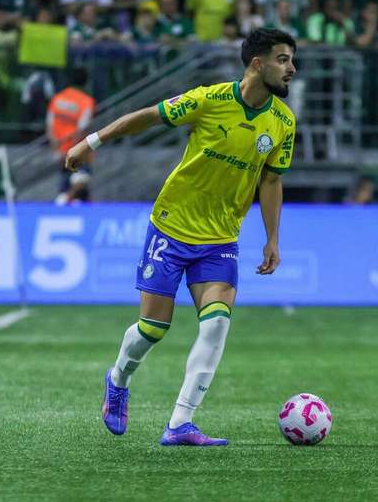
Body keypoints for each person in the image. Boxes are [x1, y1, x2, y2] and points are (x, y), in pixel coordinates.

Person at [65, 28, 297, 446]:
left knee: (216, 325)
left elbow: (271, 181)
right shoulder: (209, 100)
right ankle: (118, 380)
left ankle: (180, 424)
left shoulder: (283, 122)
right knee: (154, 328)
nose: (292, 69)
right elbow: (148, 116)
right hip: (171, 227)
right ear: (257, 64)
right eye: (283, 59)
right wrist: (91, 141)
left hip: (221, 239)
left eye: (292, 61)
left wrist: (272, 238)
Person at [47, 68, 97, 192]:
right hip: (78, 154)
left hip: (60, 154)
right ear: (86, 82)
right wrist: (72, 150)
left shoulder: (57, 98)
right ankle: (64, 201)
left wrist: (57, 151)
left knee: (66, 187)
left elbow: (49, 127)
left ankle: (63, 202)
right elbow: (81, 131)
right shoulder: (86, 102)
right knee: (80, 186)